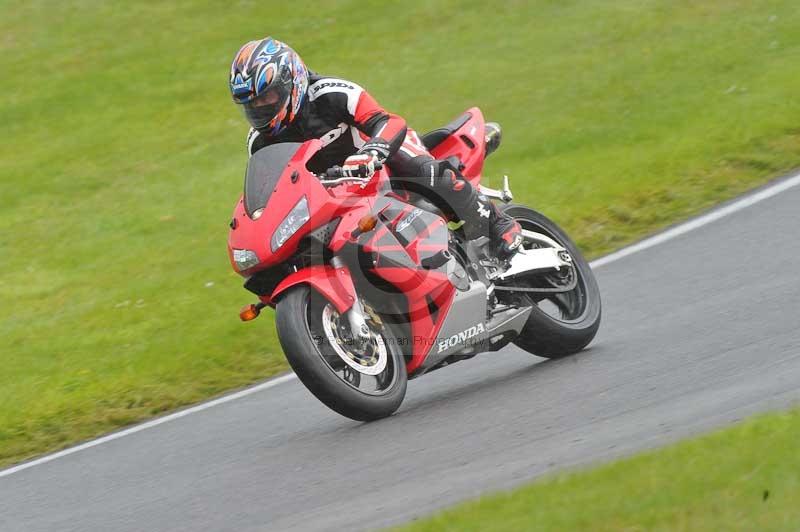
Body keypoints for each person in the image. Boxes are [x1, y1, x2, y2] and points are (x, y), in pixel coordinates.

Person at [229, 37, 522, 258]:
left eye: (267, 98)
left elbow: (389, 121)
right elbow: (271, 191)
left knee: (424, 170)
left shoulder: (332, 93)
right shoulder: (259, 141)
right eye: (251, 104)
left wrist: (373, 151)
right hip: (336, 194)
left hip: (381, 159)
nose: (259, 108)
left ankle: (498, 223)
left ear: (291, 81)